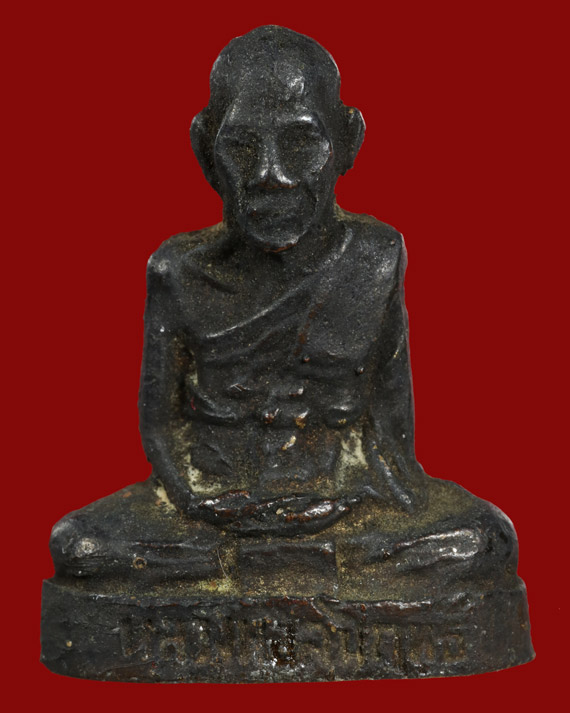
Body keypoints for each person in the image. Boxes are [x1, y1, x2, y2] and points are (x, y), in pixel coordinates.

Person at [50, 27, 520, 596]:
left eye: (301, 143)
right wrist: (195, 502)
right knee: (80, 546)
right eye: (242, 147)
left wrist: (375, 498)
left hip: (341, 508)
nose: (270, 175)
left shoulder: (374, 258)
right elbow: (159, 424)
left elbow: (391, 431)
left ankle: (276, 571)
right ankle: (273, 570)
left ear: (348, 141)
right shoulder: (178, 272)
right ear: (204, 150)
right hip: (213, 514)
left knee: (484, 540)